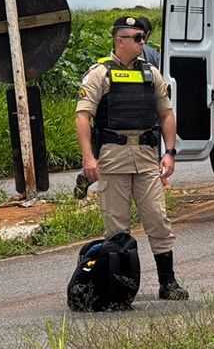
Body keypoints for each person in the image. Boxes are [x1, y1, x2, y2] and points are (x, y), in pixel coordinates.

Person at [74, 16, 188, 300]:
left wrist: (170, 153)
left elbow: (166, 114)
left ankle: (168, 282)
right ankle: (118, 287)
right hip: (113, 157)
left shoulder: (151, 74)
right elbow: (83, 117)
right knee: (117, 225)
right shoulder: (100, 74)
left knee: (158, 218)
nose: (142, 43)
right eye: (137, 38)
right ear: (119, 40)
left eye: (144, 38)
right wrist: (89, 158)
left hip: (147, 156)